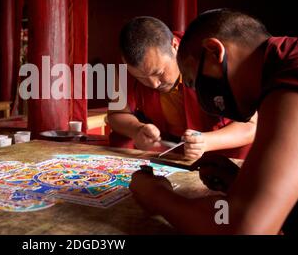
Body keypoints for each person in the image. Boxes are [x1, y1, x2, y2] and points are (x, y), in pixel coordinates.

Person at [130, 9, 298, 234]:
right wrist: (241, 182)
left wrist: (158, 198)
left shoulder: (291, 76)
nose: (201, 98)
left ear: (213, 51)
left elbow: (242, 229)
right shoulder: (277, 71)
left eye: (193, 82)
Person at [107, 16, 256, 160]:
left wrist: (207, 142)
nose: (154, 84)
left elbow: (251, 125)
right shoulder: (124, 69)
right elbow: (116, 114)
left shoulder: (210, 58)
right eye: (141, 78)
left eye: (158, 73)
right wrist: (137, 130)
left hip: (227, 154)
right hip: (172, 153)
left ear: (175, 46)